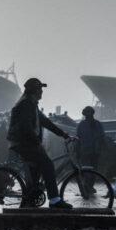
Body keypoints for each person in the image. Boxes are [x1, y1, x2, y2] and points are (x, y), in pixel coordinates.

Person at [7, 77, 74, 209]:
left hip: (26, 142)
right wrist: (37, 142)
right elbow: (26, 127)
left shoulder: (31, 104)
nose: (42, 92)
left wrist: (64, 135)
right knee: (48, 164)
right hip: (24, 143)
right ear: (34, 90)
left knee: (36, 171)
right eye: (40, 89)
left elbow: (46, 123)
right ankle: (55, 200)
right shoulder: (26, 104)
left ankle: (29, 201)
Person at [76, 106, 105, 192]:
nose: (88, 115)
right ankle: (87, 185)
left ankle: (89, 185)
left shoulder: (96, 124)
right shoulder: (83, 124)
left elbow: (101, 137)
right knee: (89, 169)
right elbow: (78, 138)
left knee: (93, 169)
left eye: (89, 113)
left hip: (93, 150)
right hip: (86, 150)